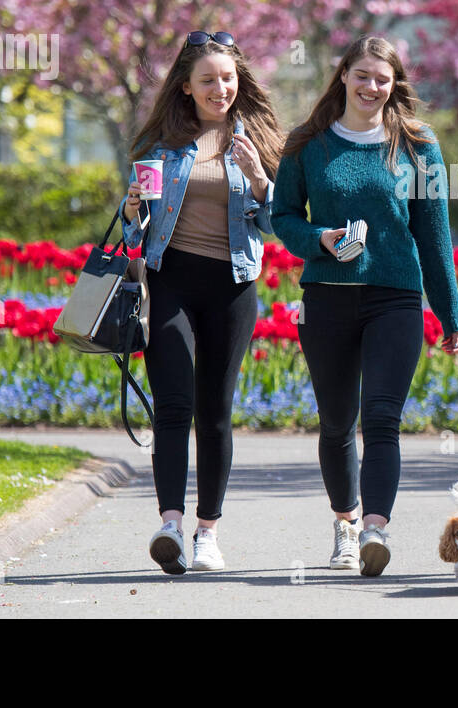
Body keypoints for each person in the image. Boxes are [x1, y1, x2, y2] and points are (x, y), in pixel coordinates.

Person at [271, 35, 458, 577]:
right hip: (328, 299)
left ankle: (376, 529)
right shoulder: (307, 142)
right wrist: (319, 239)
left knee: (383, 417)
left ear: (394, 84)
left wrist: (451, 312)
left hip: (395, 299)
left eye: (382, 79)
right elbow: (282, 215)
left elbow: (434, 234)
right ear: (343, 77)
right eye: (362, 75)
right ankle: (346, 524)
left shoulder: (418, 145)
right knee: (337, 421)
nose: (372, 87)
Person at [119, 30, 284, 576]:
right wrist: (132, 210)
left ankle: (207, 531)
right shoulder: (161, 149)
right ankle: (169, 525)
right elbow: (135, 236)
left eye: (228, 79)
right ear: (186, 87)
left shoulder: (255, 140)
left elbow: (277, 224)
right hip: (171, 284)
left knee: (215, 412)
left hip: (233, 287)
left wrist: (261, 180)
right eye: (208, 80)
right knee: (173, 405)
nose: (220, 88)